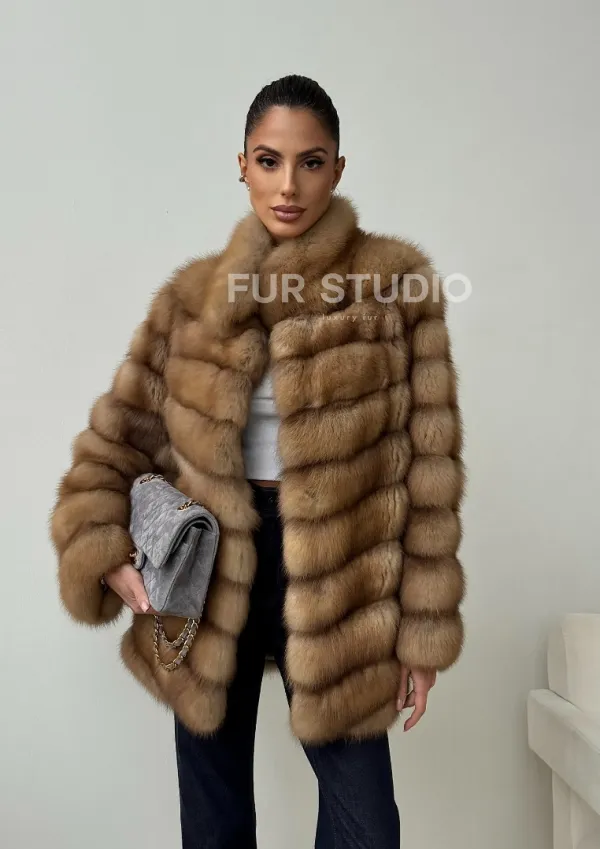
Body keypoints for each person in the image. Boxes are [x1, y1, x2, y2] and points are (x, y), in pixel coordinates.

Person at [49, 74, 466, 848]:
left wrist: (422, 628)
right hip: (212, 568)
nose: (288, 185)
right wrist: (104, 550)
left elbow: (429, 474)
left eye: (311, 162)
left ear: (338, 168)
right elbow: (115, 442)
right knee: (214, 821)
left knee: (367, 825)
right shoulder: (192, 300)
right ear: (241, 164)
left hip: (341, 576)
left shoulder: (396, 288)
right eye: (269, 161)